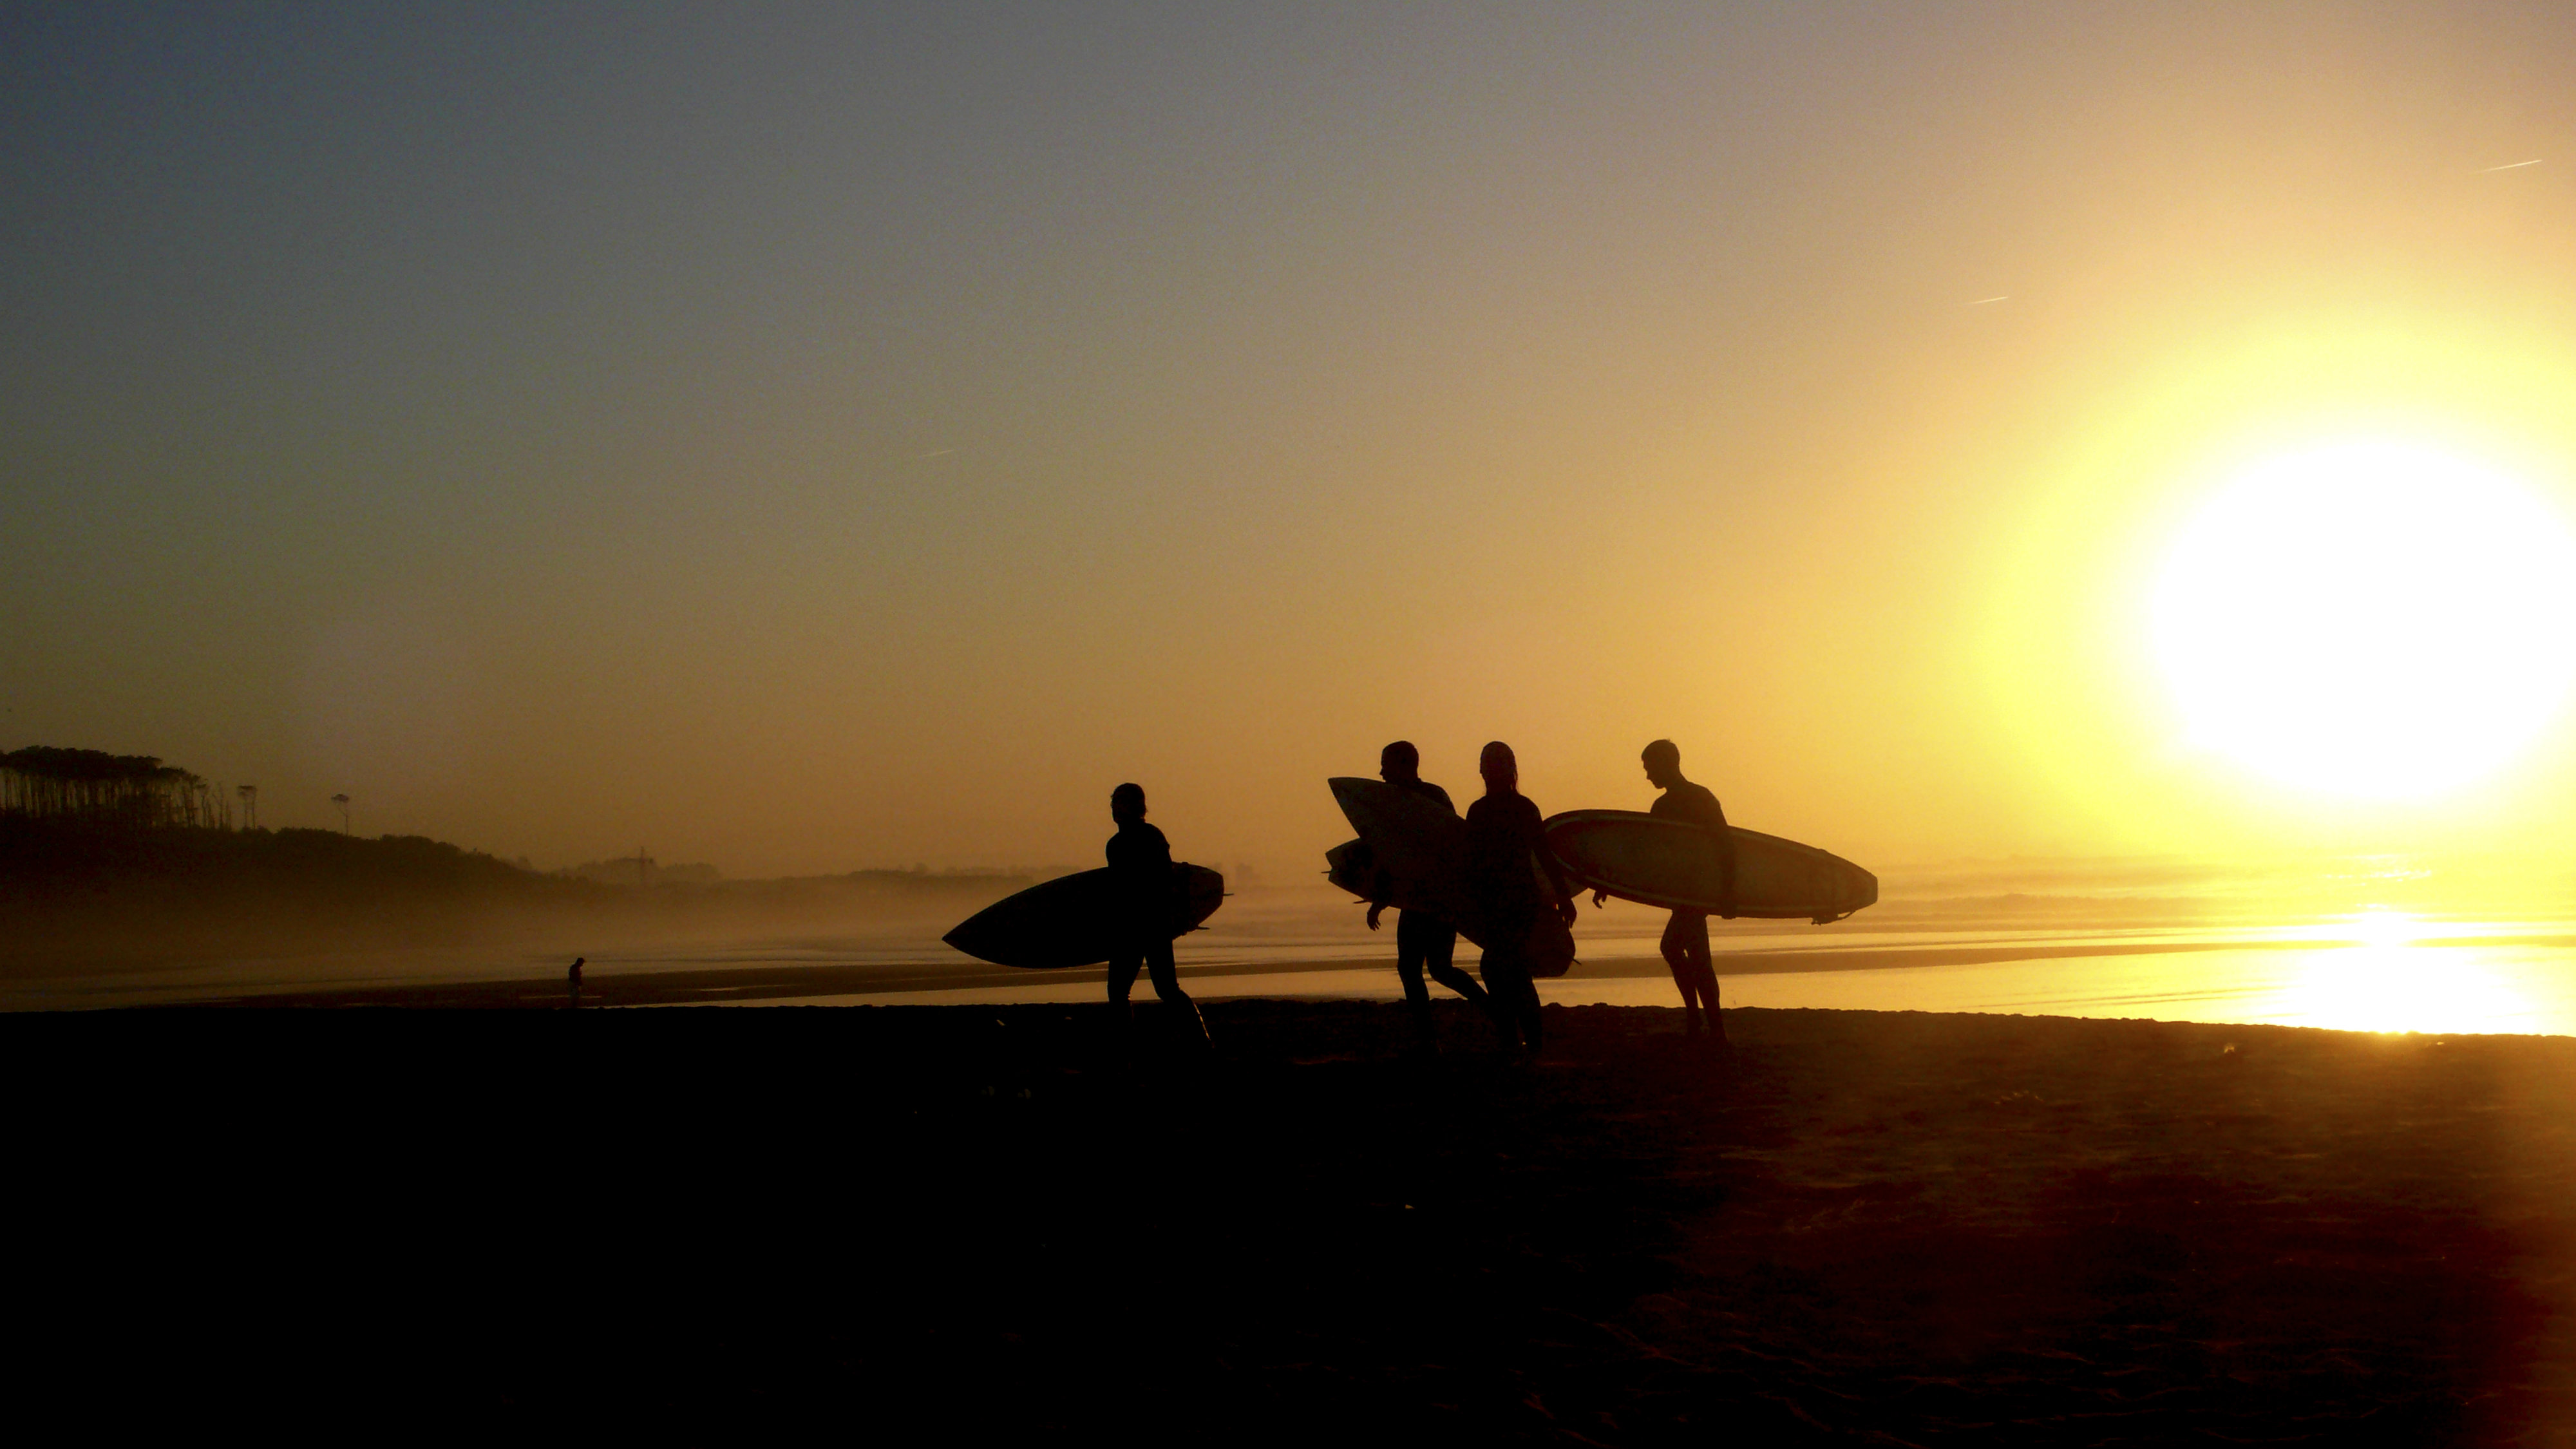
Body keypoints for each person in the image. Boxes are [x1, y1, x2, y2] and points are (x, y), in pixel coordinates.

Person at [1363, 741, 1492, 1052]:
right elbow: (1391, 853)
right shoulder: (1400, 801)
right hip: (1416, 900)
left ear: (1405, 765)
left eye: (1386, 764)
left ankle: (1489, 1015)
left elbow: (1451, 846)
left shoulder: (1432, 798)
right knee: (1419, 969)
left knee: (1434, 969)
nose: (1381, 772)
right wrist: (1381, 898)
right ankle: (1431, 1038)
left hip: (1436, 900)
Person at [1613, 739, 1734, 1045]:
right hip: (1684, 893)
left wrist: (1728, 893)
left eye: (1650, 768)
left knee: (1677, 950)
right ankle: (1708, 1024)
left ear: (1668, 764)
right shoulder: (1665, 805)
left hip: (1697, 891)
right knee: (1695, 956)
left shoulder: (1699, 798)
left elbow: (1725, 845)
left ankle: (1706, 1024)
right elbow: (1648, 854)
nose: (1648, 776)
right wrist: (1608, 882)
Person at [1463, 742, 1576, 1058]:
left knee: (1504, 971)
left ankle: (1521, 1041)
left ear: (1505, 770)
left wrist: (1563, 895)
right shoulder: (1494, 809)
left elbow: (1544, 854)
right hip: (1499, 901)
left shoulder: (1514, 809)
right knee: (1505, 972)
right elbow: (1471, 860)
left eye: (1490, 765)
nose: (1486, 771)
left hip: (1515, 901)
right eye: (1484, 765)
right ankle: (1523, 1041)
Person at [1105, 782, 1210, 1048]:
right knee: (1122, 992)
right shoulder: (1117, 844)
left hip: (1149, 925)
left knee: (1164, 989)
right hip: (1136, 927)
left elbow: (1164, 880)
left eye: (1120, 801)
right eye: (1113, 802)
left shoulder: (1148, 838)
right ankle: (1126, 1049)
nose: (1114, 807)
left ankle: (1202, 1044)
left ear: (1135, 806)